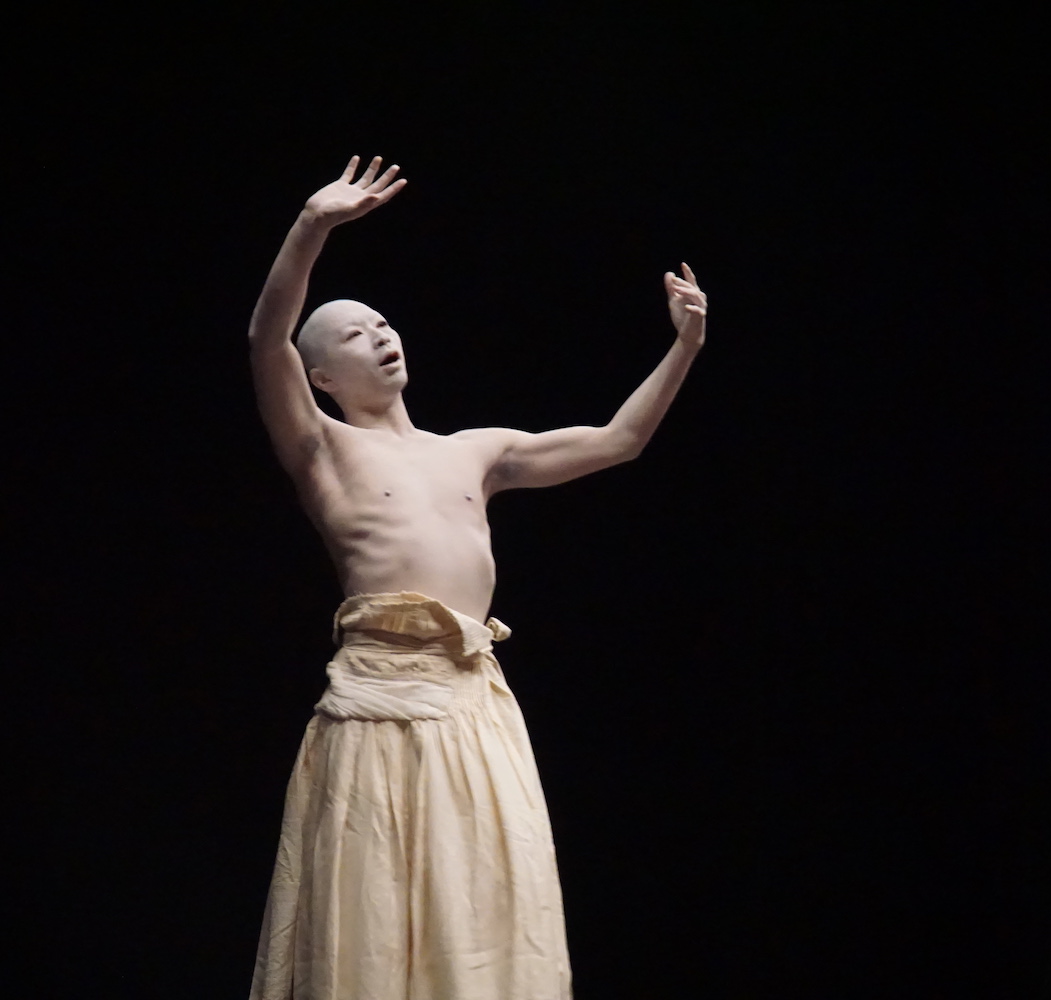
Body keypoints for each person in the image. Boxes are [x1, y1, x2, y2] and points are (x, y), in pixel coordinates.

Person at [246, 155, 707, 1000]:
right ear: (321, 378)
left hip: (471, 701)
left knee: (486, 897)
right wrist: (313, 225)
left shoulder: (475, 452)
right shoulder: (322, 448)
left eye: (383, 322)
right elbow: (264, 338)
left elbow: (618, 440)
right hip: (379, 699)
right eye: (353, 334)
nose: (379, 334)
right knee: (373, 903)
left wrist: (685, 348)